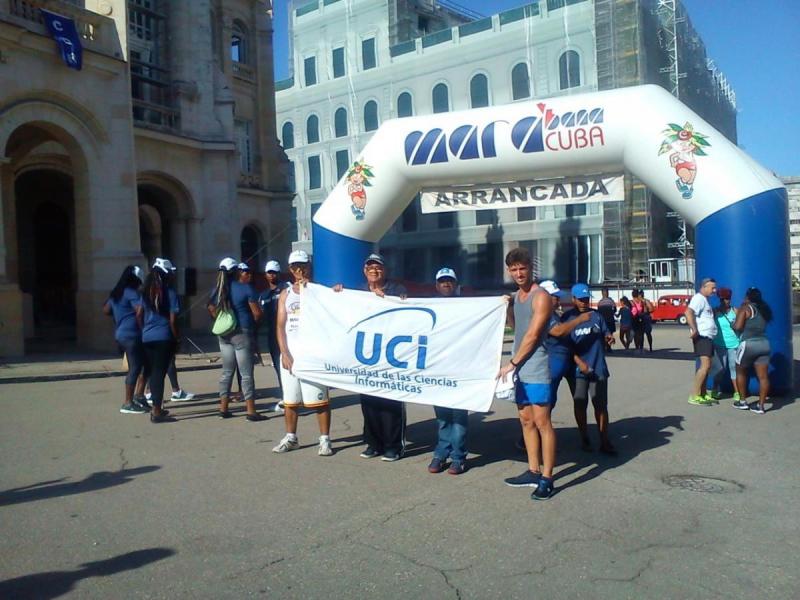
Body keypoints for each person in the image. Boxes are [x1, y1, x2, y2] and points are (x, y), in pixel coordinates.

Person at [498, 247, 556, 501]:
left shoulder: (540, 296)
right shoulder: (517, 296)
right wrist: (508, 307)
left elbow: (533, 336)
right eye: (514, 269)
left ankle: (547, 477)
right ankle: (533, 470)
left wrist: (512, 363)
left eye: (523, 268)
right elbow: (516, 327)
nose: (519, 273)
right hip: (520, 369)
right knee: (525, 420)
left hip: (535, 366)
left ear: (531, 268)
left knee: (543, 422)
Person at [343, 253, 408, 462]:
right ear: (364, 271)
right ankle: (373, 443)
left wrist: (386, 300)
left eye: (378, 267)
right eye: (370, 267)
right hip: (366, 354)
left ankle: (393, 446)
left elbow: (405, 311)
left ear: (385, 270)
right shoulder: (359, 292)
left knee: (389, 401)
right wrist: (337, 294)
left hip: (390, 354)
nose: (374, 270)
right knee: (368, 400)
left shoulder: (396, 290)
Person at [272, 250, 333, 456]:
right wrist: (285, 352)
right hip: (291, 355)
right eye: (295, 266)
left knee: (319, 400)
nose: (300, 270)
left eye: (303, 265)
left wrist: (337, 292)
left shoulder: (321, 291)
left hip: (313, 355)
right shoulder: (285, 294)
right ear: (290, 269)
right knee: (290, 400)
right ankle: (291, 437)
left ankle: (324, 440)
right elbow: (280, 327)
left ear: (309, 266)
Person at [208, 257, 266, 421]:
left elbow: (211, 308)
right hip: (242, 331)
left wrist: (221, 319)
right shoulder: (245, 288)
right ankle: (250, 410)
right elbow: (257, 313)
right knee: (246, 373)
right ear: (236, 272)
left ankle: (223, 408)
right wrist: (255, 323)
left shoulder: (218, 290)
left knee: (226, 371)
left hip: (224, 333)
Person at [563, 283, 616, 455]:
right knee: (580, 403)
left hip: (598, 367)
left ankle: (604, 440)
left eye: (586, 299)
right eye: (581, 299)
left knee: (600, 405)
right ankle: (584, 436)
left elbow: (606, 333)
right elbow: (564, 346)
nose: (584, 302)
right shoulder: (567, 318)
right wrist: (578, 362)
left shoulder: (597, 316)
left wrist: (608, 338)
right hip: (577, 371)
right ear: (573, 299)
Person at [427, 267, 469, 475]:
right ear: (436, 285)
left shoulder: (467, 306)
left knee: (459, 414)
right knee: (443, 415)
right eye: (442, 281)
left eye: (449, 281)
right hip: (439, 368)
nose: (446, 284)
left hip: (460, 368)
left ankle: (458, 457)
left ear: (456, 284)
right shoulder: (430, 305)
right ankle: (441, 452)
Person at [136, 258, 180, 423]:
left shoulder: (145, 292)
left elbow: (139, 315)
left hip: (147, 337)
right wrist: (177, 338)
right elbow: (173, 321)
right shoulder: (170, 293)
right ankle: (156, 411)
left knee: (152, 372)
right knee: (158, 374)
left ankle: (157, 407)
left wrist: (143, 330)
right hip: (164, 337)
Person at [103, 265, 148, 414]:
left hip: (121, 334)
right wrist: (142, 326)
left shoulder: (116, 294)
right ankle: (128, 402)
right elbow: (140, 310)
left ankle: (139, 396)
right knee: (135, 367)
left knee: (145, 365)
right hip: (133, 334)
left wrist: (120, 315)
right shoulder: (131, 293)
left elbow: (106, 310)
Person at [733, 287, 772, 414]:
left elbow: (738, 327)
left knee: (740, 371)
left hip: (749, 344)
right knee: (763, 377)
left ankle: (743, 402)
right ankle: (761, 406)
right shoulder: (764, 310)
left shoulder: (746, 308)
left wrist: (733, 322)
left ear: (747, 297)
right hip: (764, 344)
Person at [258, 259, 287, 414]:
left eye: (274, 272)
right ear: (265, 275)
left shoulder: (286, 288)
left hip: (286, 333)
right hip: (271, 335)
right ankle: (285, 396)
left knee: (288, 366)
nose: (272, 275)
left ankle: (290, 397)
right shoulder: (263, 295)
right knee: (278, 365)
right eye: (269, 272)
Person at [685, 277, 718, 406]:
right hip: (702, 337)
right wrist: (694, 329)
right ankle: (694, 395)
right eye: (712, 288)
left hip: (708, 337)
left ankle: (703, 394)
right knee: (705, 366)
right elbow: (688, 312)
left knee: (707, 367)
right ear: (704, 287)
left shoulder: (705, 300)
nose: (714, 290)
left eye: (714, 288)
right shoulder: (698, 298)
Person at [708, 287, 739, 402]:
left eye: (727, 299)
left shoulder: (735, 311)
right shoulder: (715, 311)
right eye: (722, 299)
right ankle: (715, 389)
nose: (725, 301)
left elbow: (741, 327)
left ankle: (737, 392)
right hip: (719, 344)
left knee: (733, 368)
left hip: (733, 344)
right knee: (720, 369)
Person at [596, 288, 617, 353]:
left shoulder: (600, 302)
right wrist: (612, 313)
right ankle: (608, 347)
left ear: (602, 293)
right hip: (610, 320)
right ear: (607, 293)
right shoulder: (611, 301)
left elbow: (598, 312)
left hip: (603, 321)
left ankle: (605, 347)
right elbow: (615, 309)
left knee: (604, 334)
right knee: (610, 333)